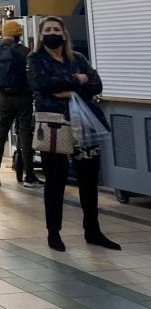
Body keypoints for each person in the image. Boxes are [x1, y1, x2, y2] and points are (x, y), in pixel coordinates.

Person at [27, 16, 118, 252]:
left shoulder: (78, 59)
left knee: (89, 180)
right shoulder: (35, 59)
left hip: (83, 126)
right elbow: (41, 84)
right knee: (55, 181)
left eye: (56, 29)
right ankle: (54, 233)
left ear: (64, 34)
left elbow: (96, 84)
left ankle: (93, 231)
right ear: (41, 35)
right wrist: (77, 81)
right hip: (55, 126)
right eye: (47, 30)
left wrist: (69, 89)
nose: (52, 33)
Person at [0, 21, 40, 187]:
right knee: (25, 133)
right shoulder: (25, 52)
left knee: (0, 133)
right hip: (24, 97)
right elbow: (33, 76)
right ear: (18, 35)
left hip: (4, 97)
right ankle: (30, 176)